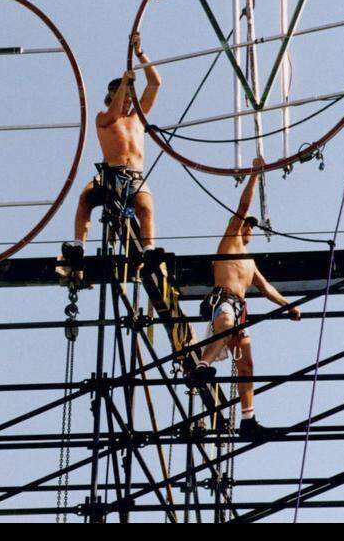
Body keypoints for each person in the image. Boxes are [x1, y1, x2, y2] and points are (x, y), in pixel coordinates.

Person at [188, 158, 301, 438]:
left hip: (239, 309)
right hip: (224, 301)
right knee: (225, 324)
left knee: (246, 362)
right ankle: (203, 365)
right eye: (246, 225)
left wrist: (288, 306)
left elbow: (266, 288)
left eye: (251, 227)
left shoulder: (250, 263)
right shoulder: (229, 241)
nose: (248, 228)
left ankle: (248, 418)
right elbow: (242, 207)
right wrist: (254, 175)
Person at [59, 33, 161, 272]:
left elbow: (155, 83)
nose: (127, 101)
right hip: (110, 174)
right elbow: (113, 114)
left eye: (129, 98)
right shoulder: (103, 118)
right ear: (113, 97)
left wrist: (140, 53)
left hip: (134, 175)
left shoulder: (138, 118)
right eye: (123, 97)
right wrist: (124, 84)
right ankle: (78, 245)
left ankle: (149, 251)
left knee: (146, 206)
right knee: (85, 199)